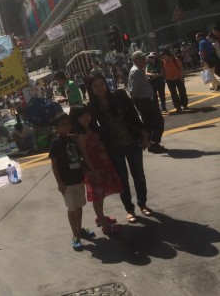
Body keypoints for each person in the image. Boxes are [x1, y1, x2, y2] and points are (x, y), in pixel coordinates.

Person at [87, 74, 154, 224]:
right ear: (90, 89)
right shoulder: (92, 107)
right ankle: (129, 210)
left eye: (101, 83)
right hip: (113, 147)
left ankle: (142, 204)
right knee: (122, 179)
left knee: (139, 175)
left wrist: (143, 134)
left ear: (106, 83)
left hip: (131, 141)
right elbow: (91, 128)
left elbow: (134, 115)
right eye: (95, 86)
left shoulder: (120, 96)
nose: (100, 88)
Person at [70, 105, 122, 235]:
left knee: (102, 194)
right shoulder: (80, 135)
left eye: (87, 113)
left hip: (104, 165)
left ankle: (101, 217)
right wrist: (93, 171)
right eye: (81, 116)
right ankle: (105, 226)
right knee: (98, 197)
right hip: (94, 168)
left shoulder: (92, 129)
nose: (86, 117)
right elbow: (85, 155)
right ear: (76, 119)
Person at [48, 113, 95, 251]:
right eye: (62, 125)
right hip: (66, 183)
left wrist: (87, 173)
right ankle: (75, 235)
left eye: (67, 124)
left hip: (79, 179)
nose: (66, 127)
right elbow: (54, 164)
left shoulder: (74, 139)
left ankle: (79, 228)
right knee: (71, 208)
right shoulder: (55, 143)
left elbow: (80, 158)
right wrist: (60, 183)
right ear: (56, 128)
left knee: (79, 205)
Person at [128, 51, 167, 154]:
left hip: (144, 100)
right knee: (158, 121)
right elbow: (133, 89)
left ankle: (150, 143)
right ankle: (154, 143)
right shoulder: (136, 71)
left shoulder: (139, 69)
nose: (144, 60)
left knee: (148, 123)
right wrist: (133, 100)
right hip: (144, 101)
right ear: (135, 60)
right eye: (141, 58)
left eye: (143, 58)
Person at [161, 48, 188, 113]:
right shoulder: (162, 62)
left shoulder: (175, 60)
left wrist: (182, 77)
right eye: (162, 56)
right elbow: (162, 71)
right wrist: (165, 78)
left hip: (178, 78)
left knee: (182, 92)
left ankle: (184, 105)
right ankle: (178, 107)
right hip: (169, 80)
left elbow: (181, 68)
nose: (163, 57)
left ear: (168, 55)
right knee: (173, 94)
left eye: (164, 56)